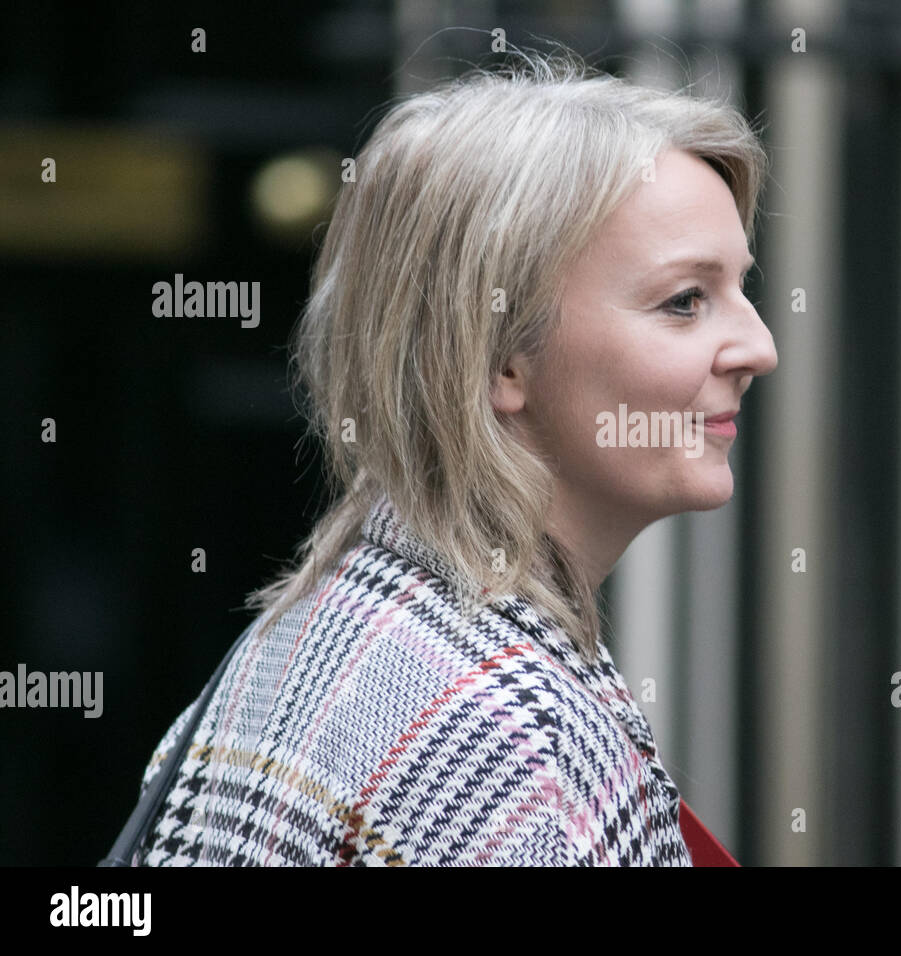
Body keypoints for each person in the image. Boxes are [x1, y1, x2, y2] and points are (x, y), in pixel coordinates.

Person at [130, 47, 777, 866]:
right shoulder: (511, 752)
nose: (759, 346)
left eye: (741, 289)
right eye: (685, 301)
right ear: (502, 354)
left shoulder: (302, 641)